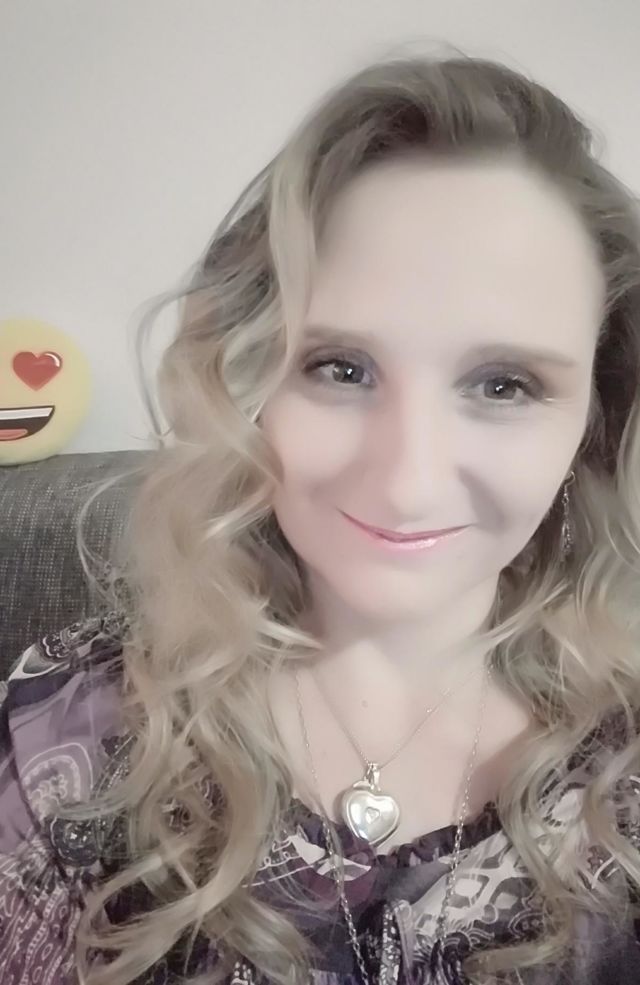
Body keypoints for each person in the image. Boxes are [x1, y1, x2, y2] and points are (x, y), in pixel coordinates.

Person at [2, 46, 640, 985]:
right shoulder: (68, 729)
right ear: (247, 382)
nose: (408, 480)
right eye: (340, 368)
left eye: (503, 384)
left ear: (596, 417)